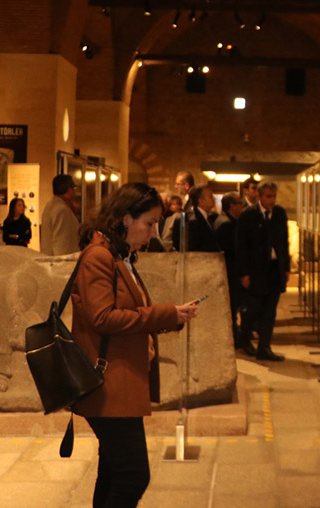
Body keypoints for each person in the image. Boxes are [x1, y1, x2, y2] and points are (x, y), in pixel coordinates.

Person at [71, 183, 199, 507]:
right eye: (150, 223)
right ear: (126, 219)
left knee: (114, 470)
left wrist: (172, 317)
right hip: (108, 384)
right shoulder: (98, 257)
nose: (153, 232)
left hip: (122, 381)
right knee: (133, 474)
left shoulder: (120, 256)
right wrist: (165, 313)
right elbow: (102, 318)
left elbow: (131, 313)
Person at [235, 181, 289, 361]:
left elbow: (284, 242)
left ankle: (264, 347)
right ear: (259, 196)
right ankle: (244, 338)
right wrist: (243, 273)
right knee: (253, 308)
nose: (272, 200)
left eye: (274, 196)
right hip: (256, 271)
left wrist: (286, 267)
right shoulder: (248, 215)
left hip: (274, 269)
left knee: (270, 311)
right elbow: (241, 246)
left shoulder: (280, 214)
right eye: (268, 196)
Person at [215, 192, 246, 348]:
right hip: (230, 271)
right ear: (232, 206)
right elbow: (231, 250)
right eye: (239, 203)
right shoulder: (226, 224)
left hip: (231, 271)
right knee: (232, 306)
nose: (242, 206)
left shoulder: (229, 221)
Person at [171, 185, 220, 253]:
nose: (214, 199)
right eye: (210, 196)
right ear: (201, 201)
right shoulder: (193, 221)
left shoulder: (208, 217)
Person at [41, 174, 81, 255]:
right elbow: (62, 243)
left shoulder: (50, 205)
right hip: (61, 263)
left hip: (51, 260)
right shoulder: (62, 210)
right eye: (73, 188)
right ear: (69, 189)